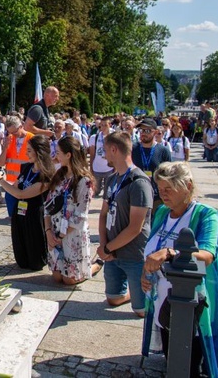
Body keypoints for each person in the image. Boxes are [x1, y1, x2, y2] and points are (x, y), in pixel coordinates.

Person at [141, 162, 218, 377]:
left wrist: (170, 252)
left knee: (189, 361)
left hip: (190, 304)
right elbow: (151, 249)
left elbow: (207, 254)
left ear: (187, 186)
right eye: (160, 188)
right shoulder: (161, 212)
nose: (163, 193)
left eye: (169, 188)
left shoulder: (207, 215)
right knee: (171, 355)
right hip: (162, 301)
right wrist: (145, 271)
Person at [97, 131, 153, 317]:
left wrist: (108, 248)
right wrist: (104, 245)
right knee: (112, 299)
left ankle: (146, 296)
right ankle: (132, 294)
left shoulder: (139, 183)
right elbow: (103, 214)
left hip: (133, 255)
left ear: (114, 149)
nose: (103, 155)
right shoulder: (112, 179)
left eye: (105, 150)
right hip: (113, 253)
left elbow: (135, 228)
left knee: (141, 311)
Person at [0, 136, 55, 270]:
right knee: (22, 260)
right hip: (20, 212)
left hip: (35, 215)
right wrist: (0, 179)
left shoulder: (47, 175)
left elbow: (21, 194)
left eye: (29, 150)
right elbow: (16, 187)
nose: (26, 153)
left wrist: (0, 180)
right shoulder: (27, 167)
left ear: (39, 152)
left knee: (36, 262)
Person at [43, 136, 102, 283]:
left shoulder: (84, 181)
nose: (55, 155)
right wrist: (49, 231)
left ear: (68, 155)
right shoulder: (59, 175)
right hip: (55, 230)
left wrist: (61, 236)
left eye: (58, 152)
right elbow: (47, 205)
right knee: (57, 277)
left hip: (71, 232)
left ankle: (94, 266)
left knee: (69, 280)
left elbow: (80, 214)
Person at [132, 118, 172, 210]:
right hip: (136, 194)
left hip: (156, 197)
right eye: (141, 130)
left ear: (155, 132)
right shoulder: (133, 149)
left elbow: (169, 176)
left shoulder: (163, 151)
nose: (143, 133)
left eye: (147, 131)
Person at [0, 115, 34, 216]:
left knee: (23, 214)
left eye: (15, 131)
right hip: (11, 183)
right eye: (10, 132)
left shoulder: (32, 139)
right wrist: (5, 148)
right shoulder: (9, 139)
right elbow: (1, 163)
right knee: (12, 214)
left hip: (26, 183)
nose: (13, 134)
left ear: (21, 126)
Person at [88, 116, 114, 197]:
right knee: (96, 191)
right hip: (97, 168)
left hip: (109, 168)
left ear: (110, 125)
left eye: (105, 125)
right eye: (101, 125)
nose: (103, 127)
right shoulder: (94, 137)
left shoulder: (113, 137)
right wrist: (91, 168)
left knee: (108, 193)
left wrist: (115, 168)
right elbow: (92, 154)